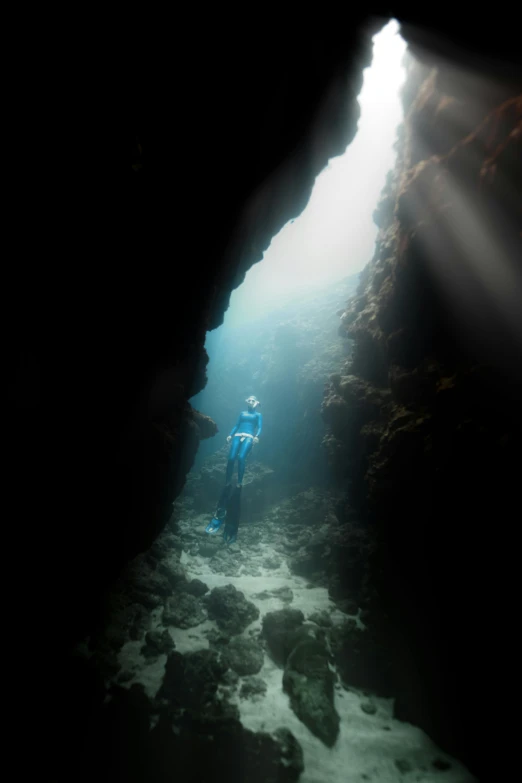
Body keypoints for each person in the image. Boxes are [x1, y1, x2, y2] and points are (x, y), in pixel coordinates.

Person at [225, 395, 262, 487]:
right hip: (237, 435)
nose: (250, 402)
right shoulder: (242, 413)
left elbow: (260, 427)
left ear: (256, 402)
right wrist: (230, 435)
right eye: (249, 400)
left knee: (241, 458)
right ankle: (228, 480)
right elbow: (237, 425)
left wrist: (257, 436)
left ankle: (239, 481)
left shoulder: (258, 415)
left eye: (252, 400)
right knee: (231, 458)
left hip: (249, 437)